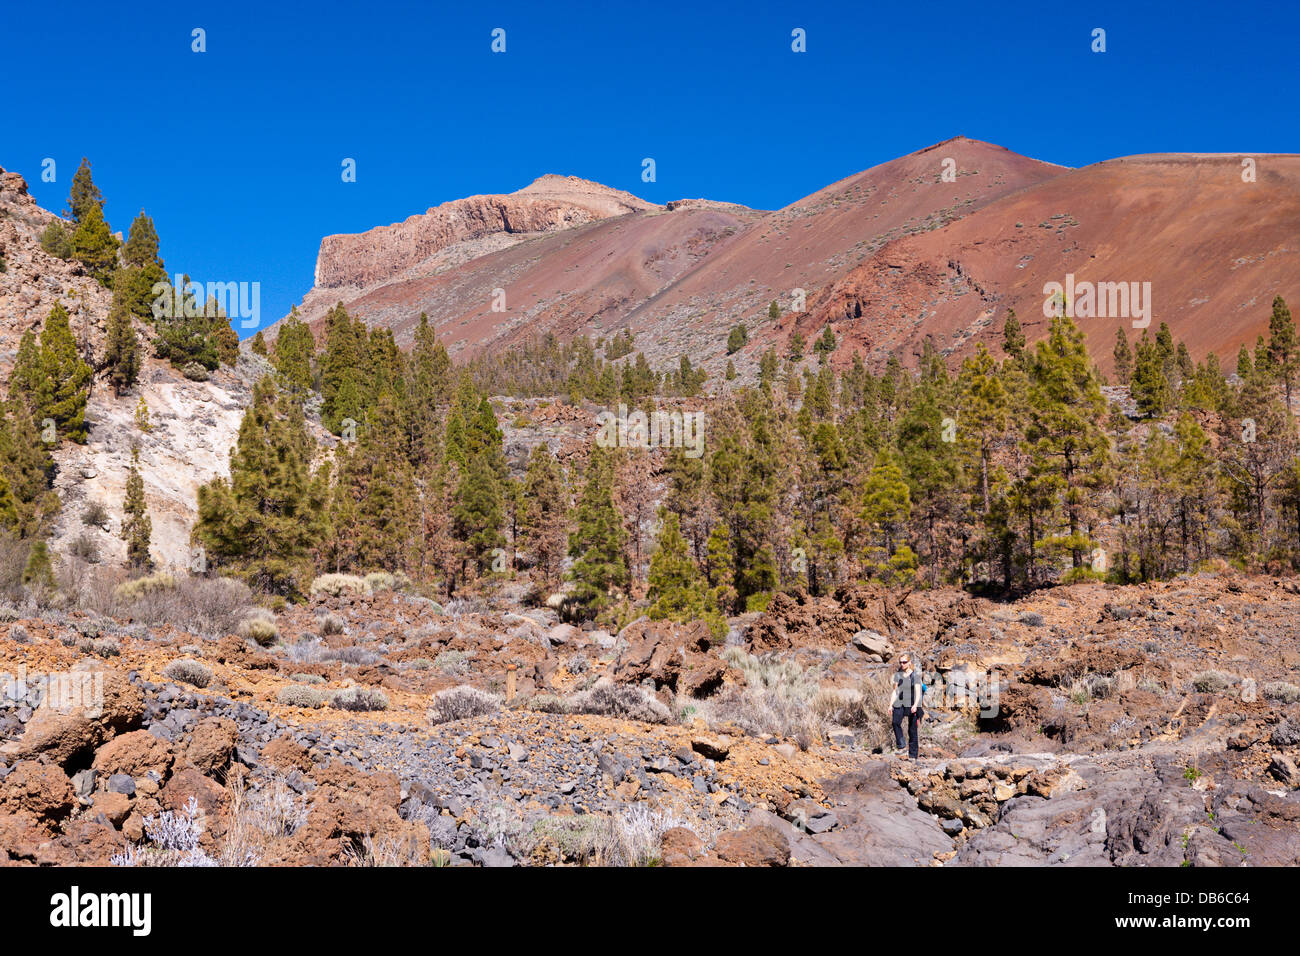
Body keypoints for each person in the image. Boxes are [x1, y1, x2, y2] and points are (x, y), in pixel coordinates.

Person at [890, 651, 923, 760]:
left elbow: (918, 692)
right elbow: (895, 691)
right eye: (901, 662)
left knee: (912, 730)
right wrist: (890, 705)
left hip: (913, 702)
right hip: (901, 701)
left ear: (909, 663)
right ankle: (901, 744)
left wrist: (915, 705)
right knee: (895, 722)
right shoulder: (897, 675)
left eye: (904, 662)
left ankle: (913, 756)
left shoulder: (916, 675)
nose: (902, 664)